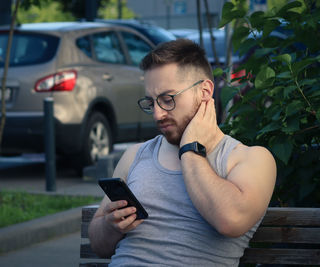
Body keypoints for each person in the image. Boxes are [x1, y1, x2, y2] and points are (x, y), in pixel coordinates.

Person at [88, 38, 276, 266]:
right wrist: (109, 226)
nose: (158, 115)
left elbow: (230, 220)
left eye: (168, 100)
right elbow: (98, 246)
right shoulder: (136, 155)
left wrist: (190, 150)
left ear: (205, 91)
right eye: (151, 102)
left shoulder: (250, 158)